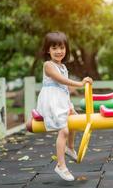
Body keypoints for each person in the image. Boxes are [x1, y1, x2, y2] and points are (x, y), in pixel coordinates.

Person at [36, 31, 93, 181]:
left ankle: (70, 147)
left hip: (61, 100)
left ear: (66, 49)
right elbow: (61, 81)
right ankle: (60, 165)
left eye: (61, 47)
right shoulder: (48, 65)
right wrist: (80, 83)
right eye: (54, 48)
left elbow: (64, 90)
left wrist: (70, 105)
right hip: (51, 102)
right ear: (48, 50)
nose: (59, 51)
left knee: (74, 119)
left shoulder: (63, 66)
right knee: (64, 130)